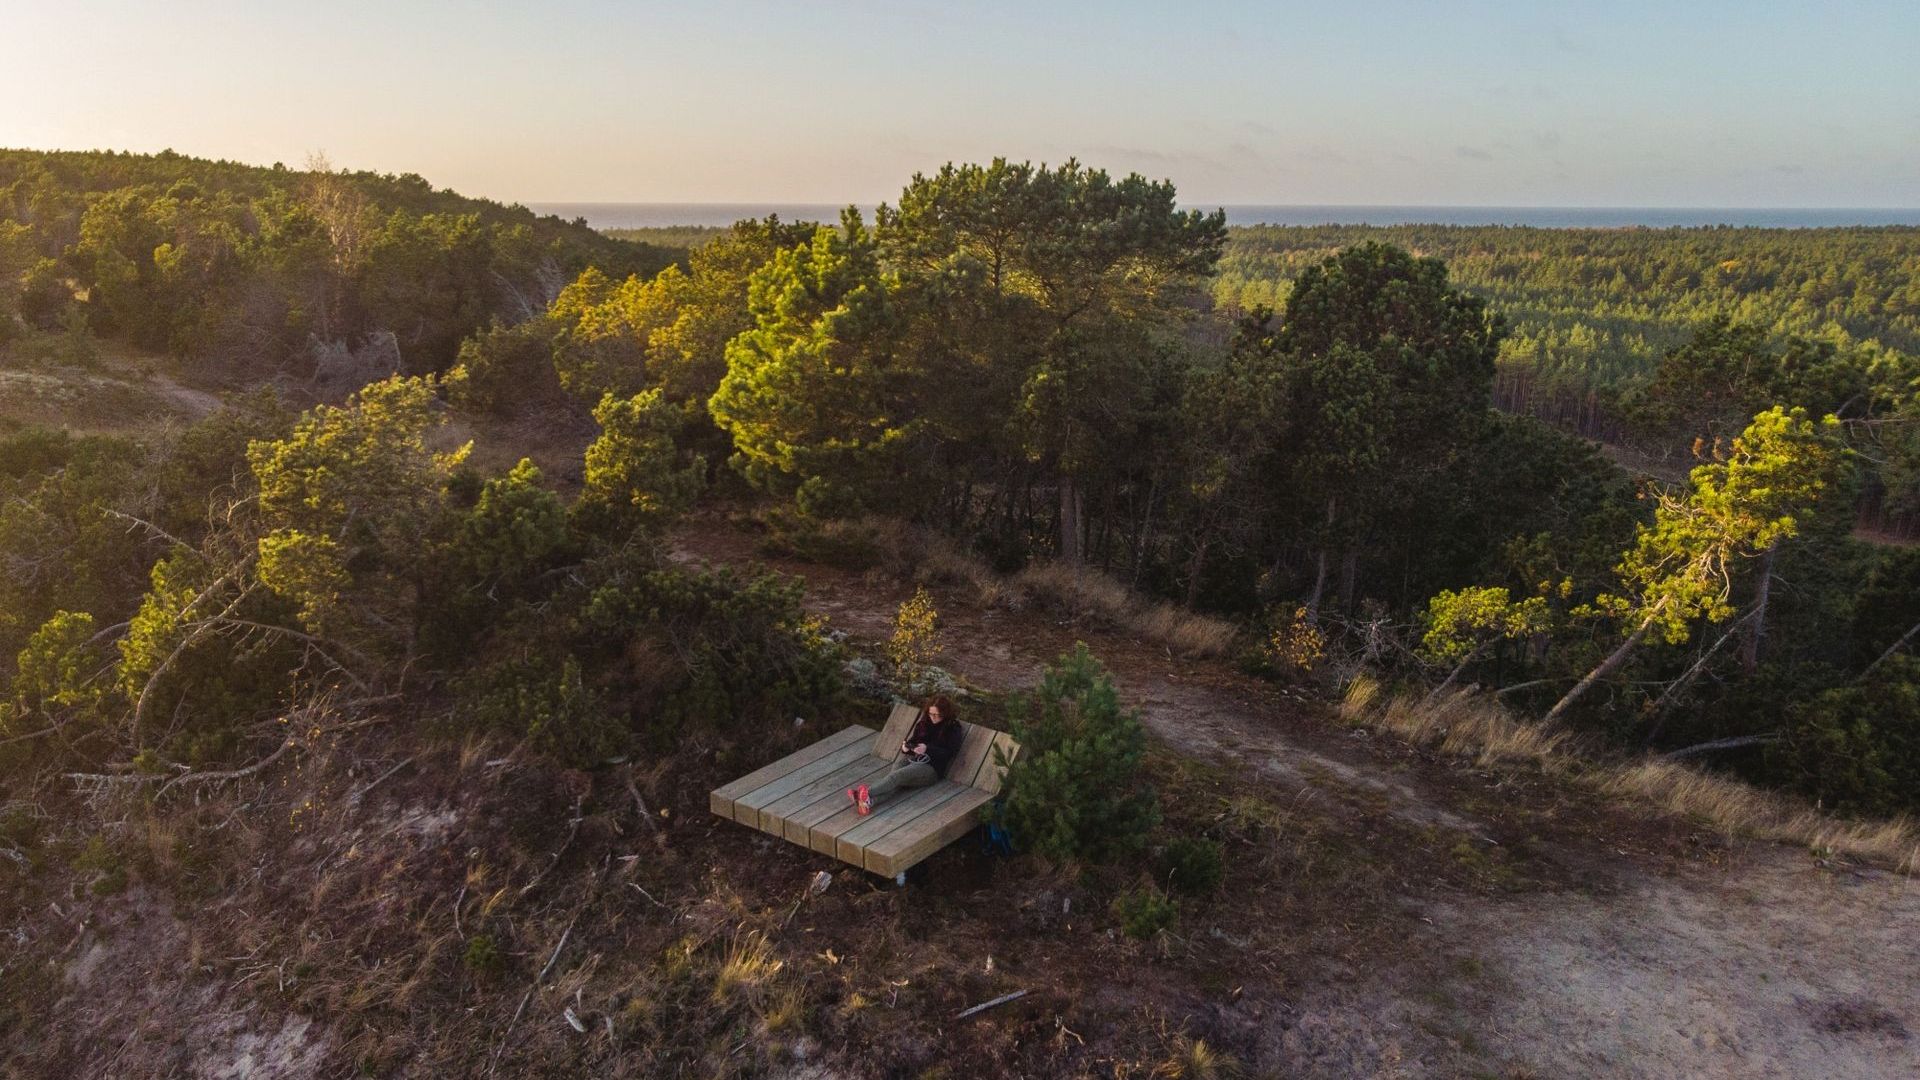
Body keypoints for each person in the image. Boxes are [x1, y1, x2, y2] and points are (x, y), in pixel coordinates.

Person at [849, 696, 963, 815]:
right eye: (931, 714)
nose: (933, 718)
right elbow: (913, 742)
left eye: (937, 715)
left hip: (932, 769)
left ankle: (864, 793)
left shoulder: (953, 727)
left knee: (898, 776)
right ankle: (869, 802)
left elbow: (950, 752)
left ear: (945, 713)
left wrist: (927, 749)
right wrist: (906, 748)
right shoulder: (924, 723)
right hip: (915, 760)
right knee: (896, 777)